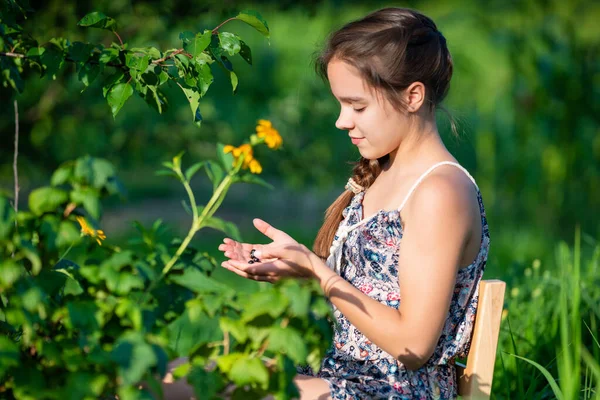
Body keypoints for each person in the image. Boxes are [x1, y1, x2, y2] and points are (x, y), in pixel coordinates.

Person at [171, 6, 490, 400]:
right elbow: (375, 292)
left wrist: (320, 274)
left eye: (357, 106)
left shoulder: (440, 192)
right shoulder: (385, 172)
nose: (342, 121)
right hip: (336, 370)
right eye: (341, 105)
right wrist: (303, 268)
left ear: (413, 96)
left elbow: (413, 344)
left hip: (390, 388)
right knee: (160, 375)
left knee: (188, 388)